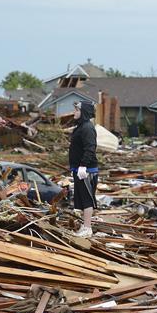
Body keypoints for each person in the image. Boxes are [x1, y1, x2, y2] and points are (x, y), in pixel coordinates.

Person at [69, 100, 99, 238]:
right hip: (78, 169)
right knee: (81, 199)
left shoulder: (87, 127)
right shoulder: (80, 126)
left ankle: (88, 228)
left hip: (86, 170)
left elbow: (90, 148)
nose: (74, 112)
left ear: (84, 112)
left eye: (77, 110)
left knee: (87, 199)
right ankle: (84, 225)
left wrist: (83, 165)